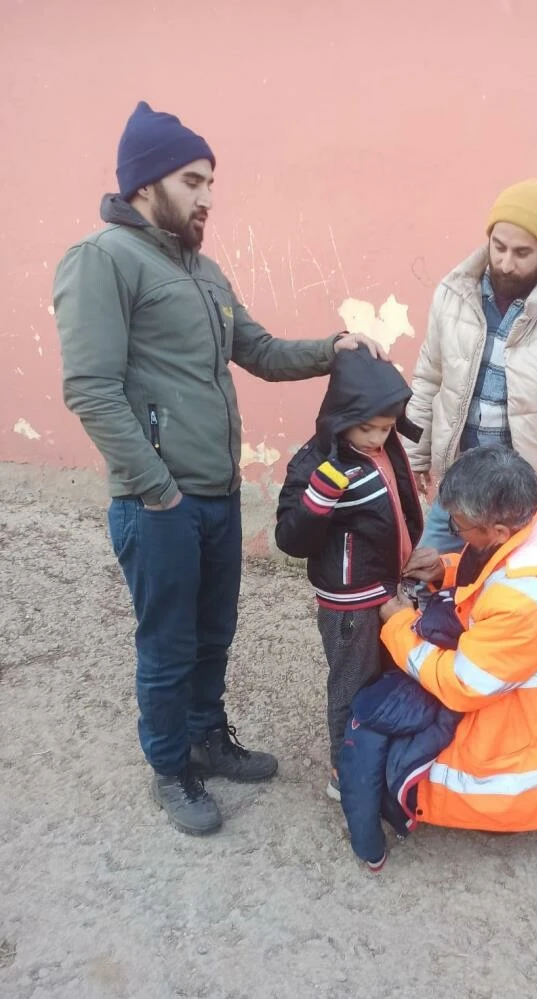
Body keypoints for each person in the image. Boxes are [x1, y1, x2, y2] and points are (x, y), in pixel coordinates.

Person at [52, 101, 383, 836]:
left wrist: (332, 348)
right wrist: (157, 488)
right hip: (159, 501)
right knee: (168, 643)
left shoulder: (203, 271)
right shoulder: (103, 260)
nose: (207, 196)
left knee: (214, 630)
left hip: (216, 495)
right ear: (145, 184)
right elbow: (91, 389)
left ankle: (207, 737)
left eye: (211, 182)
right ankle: (170, 765)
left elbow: (258, 351)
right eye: (193, 180)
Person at [369, 444, 537, 840]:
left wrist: (398, 625)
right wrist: (445, 569)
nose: (455, 533)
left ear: (498, 530)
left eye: (459, 526)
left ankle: (508, 814)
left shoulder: (522, 600)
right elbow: (495, 572)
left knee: (419, 753)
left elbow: (462, 685)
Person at [405, 178, 537, 553]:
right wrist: (417, 458)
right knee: (428, 588)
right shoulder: (452, 294)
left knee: (508, 605)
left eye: (522, 253)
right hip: (455, 491)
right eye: (499, 247)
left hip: (526, 503)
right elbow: (429, 379)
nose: (506, 263)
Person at [274, 349, 424, 801]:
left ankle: (372, 756)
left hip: (383, 587)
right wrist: (318, 500)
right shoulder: (319, 465)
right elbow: (290, 538)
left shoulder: (382, 450)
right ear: (341, 416)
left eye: (385, 426)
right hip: (351, 604)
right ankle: (344, 770)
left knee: (383, 677)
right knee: (350, 682)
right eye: (368, 428)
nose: (378, 436)